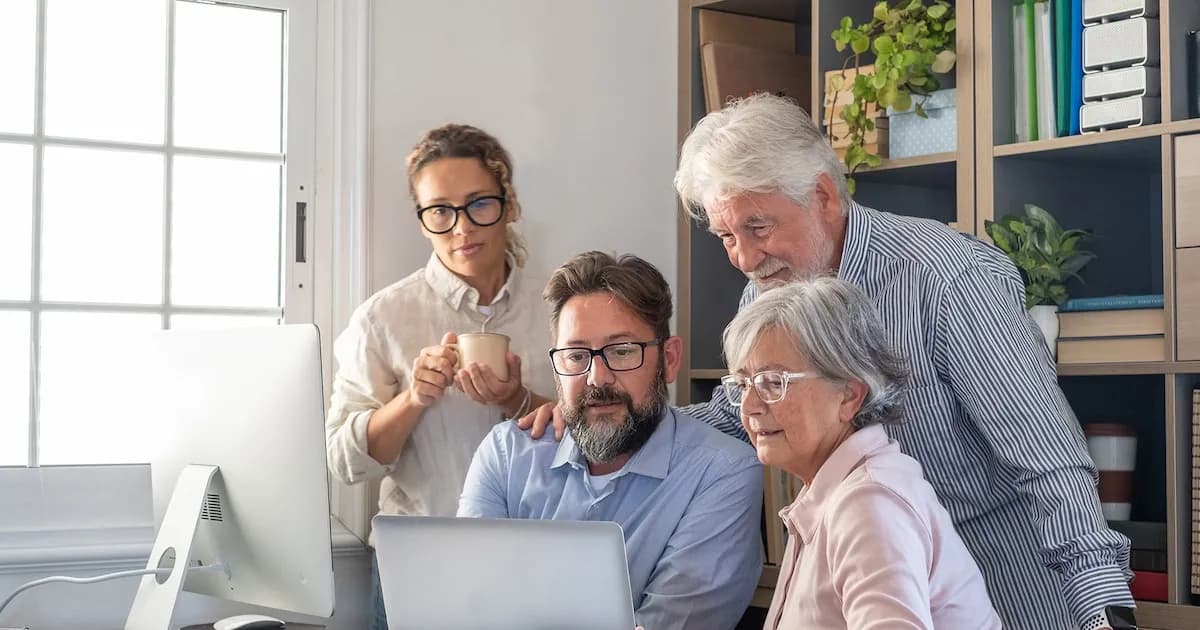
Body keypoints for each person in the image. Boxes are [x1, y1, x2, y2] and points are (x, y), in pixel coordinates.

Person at [521, 93, 1135, 630]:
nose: (743, 258)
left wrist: (1104, 607)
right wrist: (611, 410)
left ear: (821, 195)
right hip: (861, 569)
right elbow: (738, 412)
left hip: (1007, 585)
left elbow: (1048, 461)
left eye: (757, 228)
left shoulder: (949, 278)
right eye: (726, 236)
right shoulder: (770, 289)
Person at [325, 124, 556, 630]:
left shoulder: (558, 309)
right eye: (440, 211)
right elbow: (344, 461)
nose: (461, 227)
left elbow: (598, 435)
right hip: (419, 566)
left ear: (509, 204)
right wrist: (413, 398)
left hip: (541, 561)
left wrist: (518, 400)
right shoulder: (383, 318)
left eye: (479, 204)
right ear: (423, 220)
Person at [458, 251, 764, 630]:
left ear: (669, 360)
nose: (596, 378)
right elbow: (470, 607)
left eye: (621, 352)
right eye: (575, 356)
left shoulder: (723, 473)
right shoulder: (506, 454)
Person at [723, 277, 1001, 629]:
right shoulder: (837, 488)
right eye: (744, 383)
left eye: (774, 382)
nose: (749, 406)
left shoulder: (868, 502)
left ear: (849, 395)